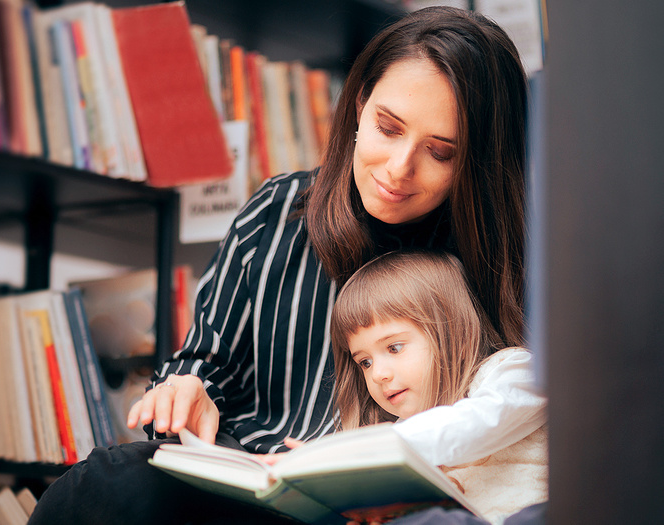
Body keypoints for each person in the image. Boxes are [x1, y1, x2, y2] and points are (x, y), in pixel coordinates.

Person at [29, 6, 533, 524]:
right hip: (247, 478)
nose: (399, 169)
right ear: (359, 105)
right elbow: (203, 362)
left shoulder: (495, 260)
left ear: (476, 162)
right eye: (387, 127)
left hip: (383, 502)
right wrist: (186, 389)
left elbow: (513, 412)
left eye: (440, 153)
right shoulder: (279, 210)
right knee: (108, 482)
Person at [330, 251, 547, 525]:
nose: (378, 375)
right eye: (365, 362)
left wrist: (375, 450)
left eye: (394, 348)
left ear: (451, 330)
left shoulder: (512, 371)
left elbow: (476, 424)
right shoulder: (403, 429)